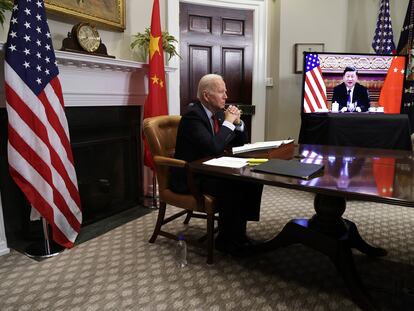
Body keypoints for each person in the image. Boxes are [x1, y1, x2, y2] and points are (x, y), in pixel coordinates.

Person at [170, 74, 263, 256]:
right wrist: (228, 122)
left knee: (252, 179)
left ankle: (238, 234)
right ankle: (226, 241)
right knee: (232, 185)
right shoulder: (192, 117)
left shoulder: (218, 113)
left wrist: (238, 124)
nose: (226, 96)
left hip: (211, 169)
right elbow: (213, 147)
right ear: (206, 96)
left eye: (225, 91)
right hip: (191, 176)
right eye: (221, 92)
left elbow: (239, 145)